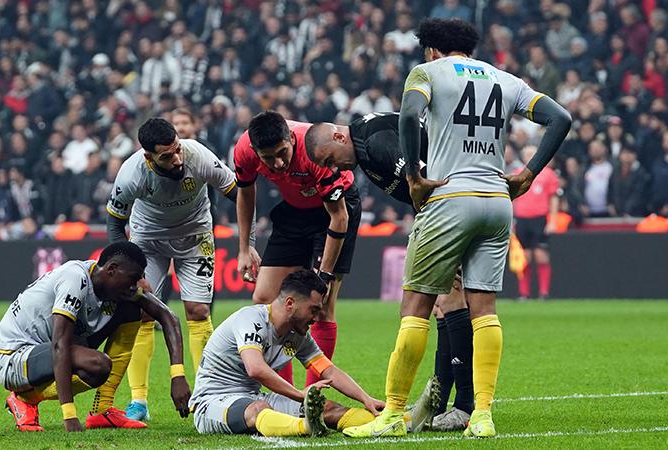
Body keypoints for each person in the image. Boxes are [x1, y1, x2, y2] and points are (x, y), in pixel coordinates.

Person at [343, 18, 571, 439]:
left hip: (449, 199)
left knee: (415, 308)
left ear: (431, 49)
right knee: (484, 310)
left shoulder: (426, 74)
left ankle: (392, 415)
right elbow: (560, 118)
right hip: (497, 203)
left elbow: (409, 115)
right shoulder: (506, 80)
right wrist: (528, 175)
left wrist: (413, 175)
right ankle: (481, 416)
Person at [304, 113, 473, 431]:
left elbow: (429, 180)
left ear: (339, 137)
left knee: (435, 303)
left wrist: (448, 237)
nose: (334, 169)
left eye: (330, 160)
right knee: (444, 304)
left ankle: (462, 405)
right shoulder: (367, 142)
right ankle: (445, 405)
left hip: (448, 211)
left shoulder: (375, 144)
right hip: (453, 209)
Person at [104, 118, 240, 422]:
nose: (177, 159)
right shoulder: (130, 174)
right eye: (166, 156)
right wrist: (131, 268)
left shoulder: (198, 155)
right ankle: (138, 402)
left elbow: (239, 192)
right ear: (148, 157)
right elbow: (114, 223)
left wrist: (248, 245)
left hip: (195, 238)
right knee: (141, 313)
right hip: (148, 242)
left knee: (198, 311)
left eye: (177, 149)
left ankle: (210, 393)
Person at [0, 242, 191, 432]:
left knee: (134, 309)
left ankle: (102, 409)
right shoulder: (75, 279)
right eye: (133, 279)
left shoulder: (112, 285)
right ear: (111, 269)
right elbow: (60, 345)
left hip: (51, 349)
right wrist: (69, 415)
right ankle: (25, 398)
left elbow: (168, 316)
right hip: (12, 358)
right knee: (97, 365)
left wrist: (178, 375)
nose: (135, 286)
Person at [234, 111, 361, 387]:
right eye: (268, 158)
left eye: (282, 152)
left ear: (291, 138)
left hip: (336, 212)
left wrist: (323, 276)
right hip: (294, 210)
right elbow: (245, 193)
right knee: (265, 298)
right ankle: (286, 396)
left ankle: (313, 395)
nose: (278, 163)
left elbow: (339, 218)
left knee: (322, 306)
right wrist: (245, 247)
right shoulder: (243, 150)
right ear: (255, 151)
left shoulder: (315, 149)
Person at [189, 270, 386, 437]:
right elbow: (255, 369)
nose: (316, 318)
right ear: (290, 303)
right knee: (258, 410)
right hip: (212, 402)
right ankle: (306, 426)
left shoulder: (298, 335)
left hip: (253, 395)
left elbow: (329, 371)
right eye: (313, 310)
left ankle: (396, 421)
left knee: (326, 408)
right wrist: (300, 395)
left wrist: (365, 398)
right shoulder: (251, 320)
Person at [512, 145, 561, 300]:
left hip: (539, 219)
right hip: (521, 219)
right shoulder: (516, 173)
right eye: (527, 154)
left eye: (532, 154)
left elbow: (554, 198)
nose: (530, 156)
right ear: (522, 156)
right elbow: (511, 198)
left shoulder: (548, 174)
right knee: (524, 257)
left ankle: (544, 293)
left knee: (541, 256)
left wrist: (552, 221)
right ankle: (524, 293)